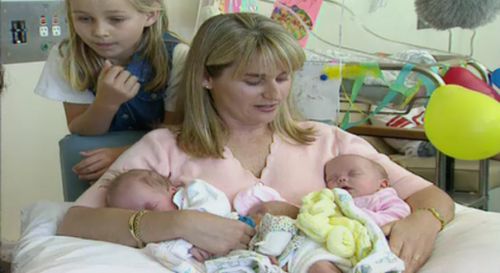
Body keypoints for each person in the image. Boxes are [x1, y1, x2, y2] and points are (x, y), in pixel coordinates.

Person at [57, 13, 455, 273]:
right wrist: (181, 223)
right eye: (253, 80)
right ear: (206, 78)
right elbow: (77, 220)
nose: (273, 93)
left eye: (282, 78)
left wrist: (425, 221)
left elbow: (432, 196)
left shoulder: (329, 142)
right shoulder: (163, 148)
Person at [34, 0, 188, 181]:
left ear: (150, 15)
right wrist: (106, 103)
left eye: (116, 19)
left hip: (165, 165)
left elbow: (174, 131)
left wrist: (123, 155)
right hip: (104, 167)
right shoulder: (67, 57)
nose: (99, 32)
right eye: (84, 18)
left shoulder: (179, 57)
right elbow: (80, 128)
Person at [325, 154, 411, 229]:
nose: (341, 179)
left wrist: (366, 217)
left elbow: (400, 214)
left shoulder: (381, 197)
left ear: (382, 184)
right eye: (332, 179)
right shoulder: (332, 201)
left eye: (354, 174)